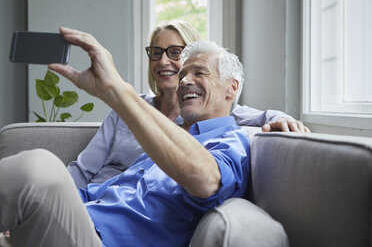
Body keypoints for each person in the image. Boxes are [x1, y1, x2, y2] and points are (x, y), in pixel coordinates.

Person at [0, 28, 287, 247]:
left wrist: (116, 91)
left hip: (102, 240)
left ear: (231, 88)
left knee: (39, 168)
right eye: (183, 74)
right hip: (78, 224)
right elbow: (91, 190)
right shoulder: (162, 144)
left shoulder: (232, 141)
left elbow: (206, 179)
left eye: (199, 73)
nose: (184, 80)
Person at [68, 20, 309, 189]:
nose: (163, 61)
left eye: (174, 52)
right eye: (156, 52)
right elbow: (83, 170)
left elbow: (256, 114)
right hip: (98, 194)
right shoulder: (130, 108)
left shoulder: (201, 117)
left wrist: (282, 119)